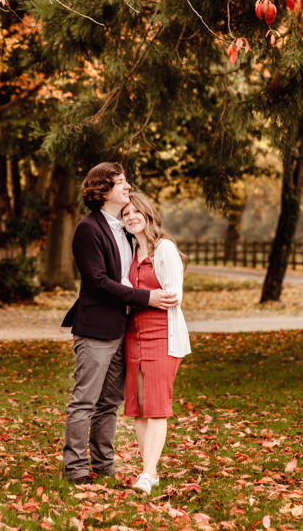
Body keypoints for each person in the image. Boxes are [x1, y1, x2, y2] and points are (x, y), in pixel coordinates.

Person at [61, 163, 179, 484]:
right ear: (103, 190)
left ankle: (104, 464)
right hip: (96, 329)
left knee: (109, 404)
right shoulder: (88, 229)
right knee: (85, 401)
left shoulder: (126, 231)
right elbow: (98, 282)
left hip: (123, 330)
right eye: (121, 182)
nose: (127, 186)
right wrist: (147, 299)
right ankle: (75, 470)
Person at [120, 192, 191, 495]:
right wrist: (144, 297)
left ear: (148, 214)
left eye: (137, 211)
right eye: (126, 214)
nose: (131, 217)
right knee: (138, 407)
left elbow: (173, 296)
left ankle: (147, 474)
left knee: (157, 407)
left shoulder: (165, 249)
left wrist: (138, 298)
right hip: (132, 334)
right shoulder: (129, 251)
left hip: (163, 334)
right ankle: (150, 469)